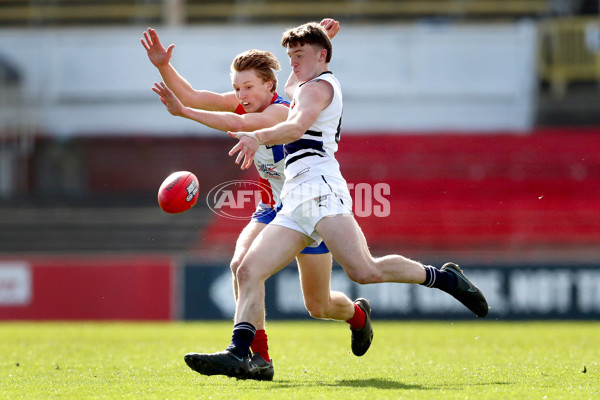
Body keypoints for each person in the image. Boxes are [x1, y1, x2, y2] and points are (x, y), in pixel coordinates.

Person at [184, 21, 489, 379]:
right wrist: (318, 39)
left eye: (299, 55)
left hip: (320, 186)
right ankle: (241, 354)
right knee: (249, 270)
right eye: (290, 55)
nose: (292, 62)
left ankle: (444, 278)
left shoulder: (320, 87)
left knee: (364, 270)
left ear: (321, 56)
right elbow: (293, 83)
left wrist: (257, 135)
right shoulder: (300, 82)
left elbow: (296, 127)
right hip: (295, 195)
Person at [142, 20, 372, 381]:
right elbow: (192, 95)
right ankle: (258, 356)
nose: (241, 95)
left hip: (308, 207)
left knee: (319, 304)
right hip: (271, 209)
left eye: (248, 86)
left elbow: (236, 124)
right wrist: (162, 65)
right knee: (241, 267)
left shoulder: (281, 111)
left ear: (270, 85)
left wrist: (186, 114)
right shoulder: (245, 104)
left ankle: (358, 315)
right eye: (237, 88)